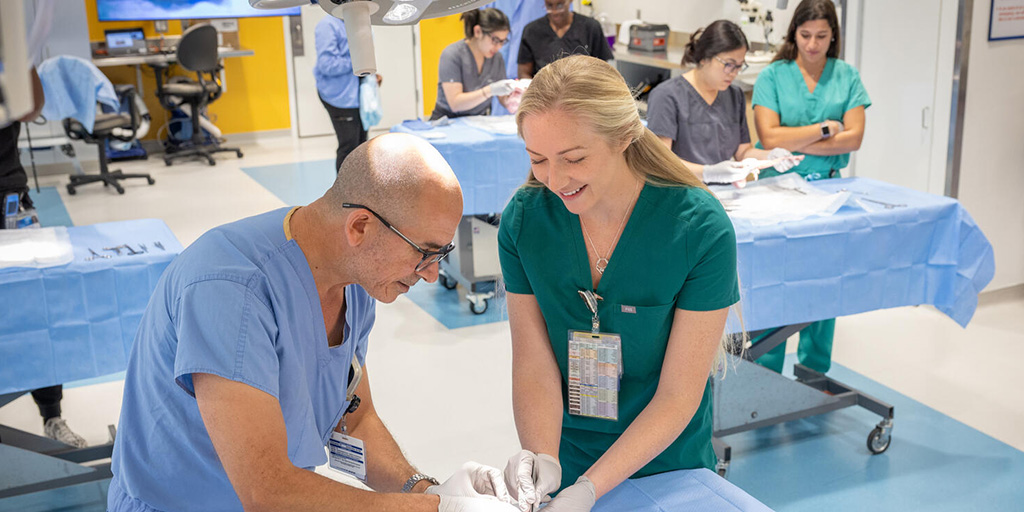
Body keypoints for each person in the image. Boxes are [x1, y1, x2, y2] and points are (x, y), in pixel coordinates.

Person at [108, 133, 518, 512]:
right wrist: (436, 510)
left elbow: (353, 419)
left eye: (441, 254)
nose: (431, 274)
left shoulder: (355, 278)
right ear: (360, 226)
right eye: (424, 252)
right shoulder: (231, 290)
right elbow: (267, 491)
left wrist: (425, 490)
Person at [498, 56, 739, 512]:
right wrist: (543, 458)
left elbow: (678, 395)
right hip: (566, 456)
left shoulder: (697, 229)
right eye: (537, 160)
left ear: (625, 135)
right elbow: (533, 363)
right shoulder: (526, 222)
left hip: (667, 465)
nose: (554, 180)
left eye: (574, 159)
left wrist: (591, 488)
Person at [751, 0, 871, 374]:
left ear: (833, 35)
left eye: (821, 36)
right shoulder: (773, 76)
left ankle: (814, 371)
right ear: (794, 34)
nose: (812, 44)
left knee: (824, 282)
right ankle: (765, 372)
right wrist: (824, 130)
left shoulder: (846, 76)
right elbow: (769, 138)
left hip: (829, 192)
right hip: (775, 191)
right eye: (805, 35)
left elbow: (854, 139)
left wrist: (795, 141)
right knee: (775, 282)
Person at [0, 67, 87, 449]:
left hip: (9, 199)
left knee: (35, 310)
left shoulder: (9, 54)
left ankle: (52, 416)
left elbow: (31, 107)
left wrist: (22, 53)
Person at [647, 20, 802, 186]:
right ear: (704, 57)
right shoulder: (667, 96)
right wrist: (708, 173)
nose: (734, 73)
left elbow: (743, 152)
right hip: (681, 192)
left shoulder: (734, 96)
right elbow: (661, 162)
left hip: (723, 194)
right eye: (729, 64)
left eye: (739, 66)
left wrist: (770, 156)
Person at [314, 14, 382, 173]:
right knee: (349, 146)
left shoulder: (358, 21)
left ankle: (359, 185)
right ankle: (343, 187)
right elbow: (327, 65)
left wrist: (370, 75)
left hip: (357, 95)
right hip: (339, 96)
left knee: (361, 145)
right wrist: (359, 61)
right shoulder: (328, 25)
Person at [431, 8, 517, 120]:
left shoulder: (496, 58)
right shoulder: (452, 54)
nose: (499, 47)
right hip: (448, 121)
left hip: (478, 120)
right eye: (495, 40)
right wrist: (490, 90)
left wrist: (514, 98)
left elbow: (503, 97)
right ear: (478, 32)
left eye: (503, 41)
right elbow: (455, 104)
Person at [516, 0, 613, 79]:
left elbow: (603, 69)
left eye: (560, 5)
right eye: (549, 5)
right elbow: (524, 73)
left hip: (583, 90)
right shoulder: (532, 31)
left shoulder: (590, 27)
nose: (555, 11)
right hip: (545, 93)